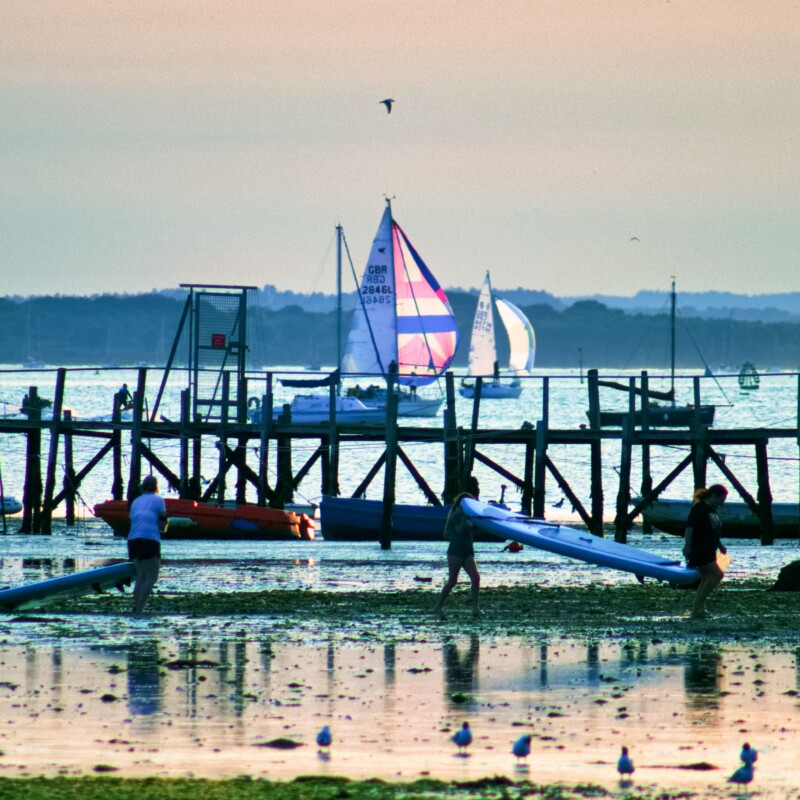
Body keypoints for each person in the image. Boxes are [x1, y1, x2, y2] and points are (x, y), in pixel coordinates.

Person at [433, 476, 481, 619]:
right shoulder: (456, 514)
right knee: (453, 581)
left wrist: (474, 523)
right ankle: (438, 607)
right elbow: (460, 531)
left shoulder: (468, 514)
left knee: (475, 578)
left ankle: (475, 608)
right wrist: (467, 523)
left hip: (467, 551)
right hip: (455, 551)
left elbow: (474, 530)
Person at [683, 484, 729, 619]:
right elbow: (689, 529)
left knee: (706, 578)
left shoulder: (711, 509)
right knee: (717, 575)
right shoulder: (699, 509)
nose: (722, 503)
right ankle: (697, 607)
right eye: (721, 500)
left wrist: (720, 545)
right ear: (713, 496)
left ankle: (698, 609)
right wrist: (687, 547)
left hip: (710, 550)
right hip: (699, 549)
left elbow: (713, 530)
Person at [128, 474, 166, 614]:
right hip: (149, 539)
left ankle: (136, 607)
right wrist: (163, 528)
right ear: (156, 487)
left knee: (141, 577)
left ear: (142, 487)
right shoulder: (159, 500)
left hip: (133, 540)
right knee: (151, 578)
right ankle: (140, 609)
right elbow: (162, 522)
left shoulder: (135, 501)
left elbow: (133, 520)